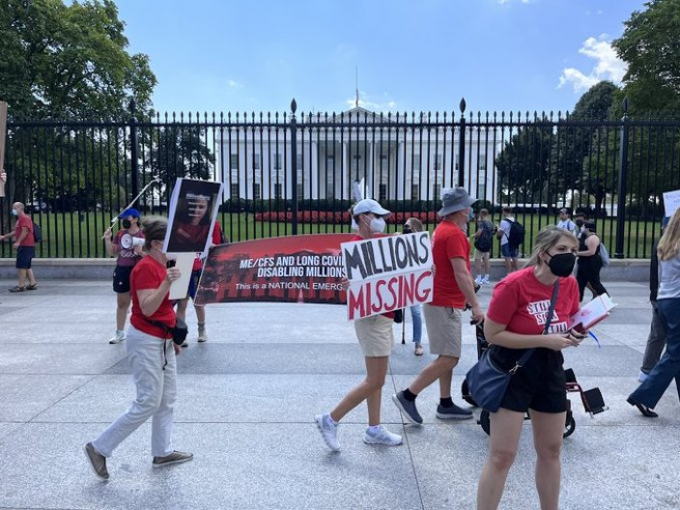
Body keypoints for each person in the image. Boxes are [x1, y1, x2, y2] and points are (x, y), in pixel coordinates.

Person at [476, 225, 585, 510]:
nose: (569, 256)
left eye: (573, 251)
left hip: (549, 369)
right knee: (502, 455)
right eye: (562, 250)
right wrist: (544, 339)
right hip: (512, 369)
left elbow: (570, 320)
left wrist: (575, 333)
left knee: (551, 449)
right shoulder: (514, 285)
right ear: (543, 252)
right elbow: (493, 334)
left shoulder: (569, 285)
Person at [84, 217, 193, 480]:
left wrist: (171, 339)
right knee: (148, 401)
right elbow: (146, 307)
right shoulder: (146, 268)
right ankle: (99, 448)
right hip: (146, 340)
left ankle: (162, 452)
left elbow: (164, 307)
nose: (176, 247)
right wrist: (167, 283)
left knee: (167, 399)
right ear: (157, 243)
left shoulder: (161, 265)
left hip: (162, 339)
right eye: (172, 242)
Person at [315, 198, 403, 451]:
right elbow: (354, 284)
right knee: (375, 380)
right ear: (364, 217)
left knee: (377, 379)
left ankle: (374, 428)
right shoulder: (356, 246)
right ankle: (330, 420)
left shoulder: (374, 243)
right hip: (372, 319)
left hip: (382, 317)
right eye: (378, 216)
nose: (383, 221)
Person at [392, 187, 483, 425]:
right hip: (444, 303)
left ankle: (445, 403)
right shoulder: (453, 234)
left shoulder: (443, 230)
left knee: (447, 354)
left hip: (442, 300)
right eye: (469, 206)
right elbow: (461, 272)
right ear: (462, 209)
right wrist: (475, 305)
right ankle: (408, 395)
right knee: (450, 357)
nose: (471, 209)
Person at [627, 209, 680, 418]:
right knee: (675, 353)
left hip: (666, 300)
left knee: (677, 352)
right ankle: (642, 395)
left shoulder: (666, 246)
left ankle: (645, 396)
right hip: (677, 302)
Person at [175, 220, 224, 346]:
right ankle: (181, 334)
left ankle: (201, 330)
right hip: (182, 265)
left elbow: (214, 246)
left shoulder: (207, 226)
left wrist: (211, 246)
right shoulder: (180, 225)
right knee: (181, 303)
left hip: (196, 267)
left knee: (198, 302)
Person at [103, 208, 145, 344]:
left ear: (135, 219)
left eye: (127, 218)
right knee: (122, 303)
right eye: (123, 219)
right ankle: (120, 332)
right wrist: (108, 240)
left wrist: (141, 253)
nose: (124, 221)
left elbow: (153, 254)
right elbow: (112, 252)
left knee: (142, 302)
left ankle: (143, 332)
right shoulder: (121, 234)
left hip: (139, 270)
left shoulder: (144, 235)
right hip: (122, 269)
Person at [638, 216, 670, 382]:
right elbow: (658, 274)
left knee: (659, 335)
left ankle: (648, 371)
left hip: (662, 296)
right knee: (659, 334)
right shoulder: (665, 245)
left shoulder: (665, 244)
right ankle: (648, 371)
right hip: (664, 296)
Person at [0, 202, 38, 292]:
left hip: (25, 245)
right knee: (26, 265)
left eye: (15, 208)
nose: (13, 210)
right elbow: (15, 232)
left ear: (20, 208)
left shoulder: (24, 218)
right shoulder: (20, 219)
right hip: (27, 245)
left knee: (21, 265)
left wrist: (18, 242)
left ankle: (20, 285)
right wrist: (4, 237)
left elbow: (25, 231)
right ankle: (32, 283)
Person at [403, 217, 424, 356]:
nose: (406, 229)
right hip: (398, 281)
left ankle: (418, 342)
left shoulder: (422, 244)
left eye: (408, 226)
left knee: (416, 312)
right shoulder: (400, 239)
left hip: (413, 282)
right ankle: (387, 339)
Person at [575, 221, 608, 302]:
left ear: (587, 228)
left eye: (583, 226)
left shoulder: (592, 238)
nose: (582, 228)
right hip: (585, 262)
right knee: (581, 281)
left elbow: (591, 252)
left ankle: (606, 299)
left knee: (595, 282)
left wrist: (576, 253)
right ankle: (577, 300)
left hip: (591, 263)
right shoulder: (587, 237)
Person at [474, 208, 495, 284]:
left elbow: (479, 233)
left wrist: (472, 236)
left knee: (478, 260)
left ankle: (479, 278)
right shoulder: (490, 222)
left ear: (481, 214)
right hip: (488, 244)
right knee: (486, 261)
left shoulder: (482, 222)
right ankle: (486, 278)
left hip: (480, 244)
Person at [496, 207, 519, 275]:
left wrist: (497, 228)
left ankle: (509, 273)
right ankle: (518, 272)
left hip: (506, 241)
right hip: (514, 241)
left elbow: (501, 233)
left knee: (507, 258)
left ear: (504, 211)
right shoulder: (514, 219)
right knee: (514, 257)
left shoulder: (503, 222)